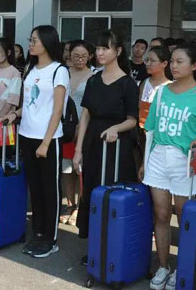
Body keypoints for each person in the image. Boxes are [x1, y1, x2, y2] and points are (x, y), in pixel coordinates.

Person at [141, 43, 196, 290]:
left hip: (185, 162)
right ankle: (163, 266)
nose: (174, 66)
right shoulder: (161, 92)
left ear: (194, 65)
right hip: (158, 158)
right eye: (173, 61)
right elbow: (150, 129)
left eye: (180, 62)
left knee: (185, 217)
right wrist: (145, 163)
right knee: (161, 214)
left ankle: (183, 268)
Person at [72, 31, 139, 266]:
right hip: (93, 144)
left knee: (114, 195)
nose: (100, 53)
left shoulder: (128, 84)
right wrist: (78, 149)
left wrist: (116, 128)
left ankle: (115, 248)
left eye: (105, 48)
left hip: (117, 148)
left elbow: (133, 120)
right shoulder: (93, 80)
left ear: (118, 51)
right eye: (98, 49)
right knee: (92, 193)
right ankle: (95, 247)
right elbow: (85, 116)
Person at [5, 25, 69, 258]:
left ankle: (51, 239)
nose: (30, 44)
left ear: (47, 42)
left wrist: (46, 142)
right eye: (30, 39)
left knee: (50, 190)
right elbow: (31, 104)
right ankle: (38, 233)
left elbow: (57, 109)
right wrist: (14, 114)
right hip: (27, 135)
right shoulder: (31, 69)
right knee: (35, 188)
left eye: (34, 40)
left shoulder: (59, 70)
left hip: (48, 139)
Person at [60, 40, 94, 226]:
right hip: (64, 128)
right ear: (69, 55)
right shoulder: (62, 73)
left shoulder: (95, 76)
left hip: (85, 129)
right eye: (75, 55)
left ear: (90, 56)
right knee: (66, 169)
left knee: (81, 169)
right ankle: (70, 204)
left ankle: (81, 207)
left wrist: (81, 126)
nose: (79, 59)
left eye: (83, 56)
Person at [138, 46, 172, 131]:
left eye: (152, 61)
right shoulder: (145, 82)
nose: (148, 64)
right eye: (147, 60)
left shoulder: (170, 86)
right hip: (141, 129)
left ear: (164, 63)